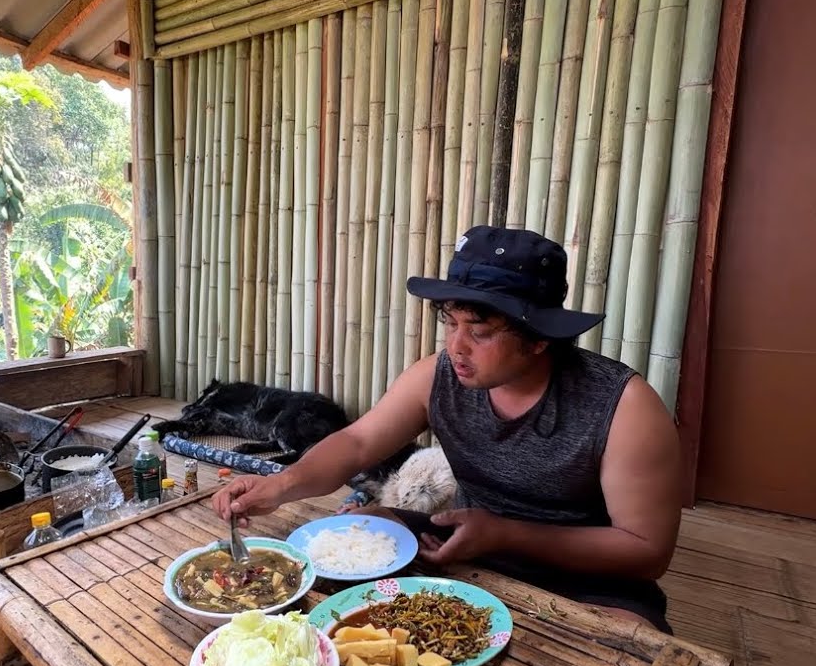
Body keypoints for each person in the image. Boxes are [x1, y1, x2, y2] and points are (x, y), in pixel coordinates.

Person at [212, 226, 683, 633]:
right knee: (360, 528)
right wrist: (280, 484)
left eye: (479, 331)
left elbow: (646, 553)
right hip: (464, 543)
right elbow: (356, 443)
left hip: (586, 574)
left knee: (631, 648)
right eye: (450, 322)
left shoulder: (623, 407)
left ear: (540, 338)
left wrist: (505, 534)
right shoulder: (436, 377)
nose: (456, 347)